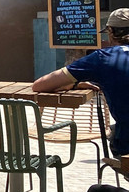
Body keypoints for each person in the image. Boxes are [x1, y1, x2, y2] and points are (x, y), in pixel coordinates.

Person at [34, 8, 129, 155]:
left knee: (116, 132)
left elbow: (40, 85)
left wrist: (74, 84)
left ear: (111, 32)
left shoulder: (102, 58)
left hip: (126, 145)